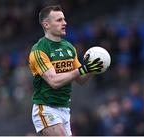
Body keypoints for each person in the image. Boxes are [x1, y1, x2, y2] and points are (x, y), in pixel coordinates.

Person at [28, 5, 103, 136]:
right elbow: (54, 81)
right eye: (59, 20)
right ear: (46, 25)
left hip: (65, 109)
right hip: (46, 108)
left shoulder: (69, 47)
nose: (65, 23)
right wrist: (82, 69)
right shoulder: (39, 50)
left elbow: (80, 80)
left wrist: (92, 69)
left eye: (64, 19)